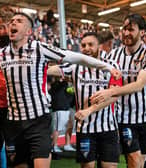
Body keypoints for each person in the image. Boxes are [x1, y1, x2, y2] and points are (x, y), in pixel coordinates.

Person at [0, 12, 121, 168]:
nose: (13, 23)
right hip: (14, 123)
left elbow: (75, 57)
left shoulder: (39, 48)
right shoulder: (2, 55)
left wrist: (108, 67)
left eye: (19, 21)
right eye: (11, 21)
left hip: (38, 121)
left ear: (29, 31)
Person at [90, 14, 146, 168]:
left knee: (140, 158)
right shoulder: (113, 55)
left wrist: (110, 93)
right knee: (133, 156)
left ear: (142, 32)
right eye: (124, 29)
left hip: (144, 116)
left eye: (131, 30)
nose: (126, 33)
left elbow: (139, 85)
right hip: (122, 117)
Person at [48, 32, 121, 168]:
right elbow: (53, 70)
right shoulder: (75, 66)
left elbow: (114, 95)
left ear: (99, 45)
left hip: (108, 128)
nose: (86, 48)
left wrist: (89, 110)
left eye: (90, 45)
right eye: (83, 45)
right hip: (85, 129)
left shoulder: (111, 66)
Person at [0, 6, 14, 168]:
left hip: (15, 105)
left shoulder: (23, 46)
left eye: (6, 26)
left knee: (15, 147)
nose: (3, 31)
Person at [48, 77, 76, 152]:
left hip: (67, 107)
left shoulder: (67, 84)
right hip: (59, 108)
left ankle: (67, 144)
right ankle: (54, 145)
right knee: (57, 128)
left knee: (70, 126)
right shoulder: (56, 84)